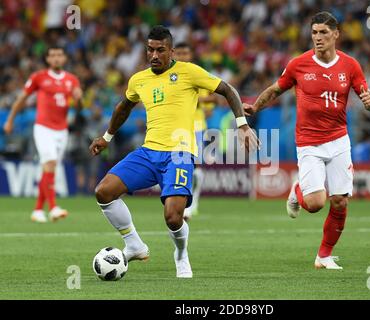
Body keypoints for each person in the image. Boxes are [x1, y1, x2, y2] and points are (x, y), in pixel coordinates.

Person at [89, 26, 258, 278]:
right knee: (104, 192)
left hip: (179, 153)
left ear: (171, 51)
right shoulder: (139, 79)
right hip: (148, 152)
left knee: (173, 217)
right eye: (150, 49)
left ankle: (181, 255)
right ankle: (134, 245)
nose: (154, 55)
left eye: (160, 50)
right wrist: (106, 137)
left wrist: (242, 125)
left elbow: (228, 90)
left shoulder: (188, 72)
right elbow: (123, 107)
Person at [244, 12, 370, 270]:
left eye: (323, 33)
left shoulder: (350, 65)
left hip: (339, 140)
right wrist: (255, 108)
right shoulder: (298, 64)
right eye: (314, 33)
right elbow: (275, 89)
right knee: (316, 203)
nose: (318, 38)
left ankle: (324, 256)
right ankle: (297, 191)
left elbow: (366, 95)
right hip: (309, 142)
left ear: (336, 34)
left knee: (340, 201)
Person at [3, 46, 82, 223]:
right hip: (43, 128)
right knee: (51, 164)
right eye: (52, 55)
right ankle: (53, 207)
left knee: (49, 170)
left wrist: (79, 99)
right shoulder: (38, 77)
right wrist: (10, 120)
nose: (56, 58)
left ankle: (38, 210)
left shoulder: (72, 80)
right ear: (47, 59)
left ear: (64, 58)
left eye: (59, 55)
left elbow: (79, 108)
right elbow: (21, 99)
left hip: (62, 130)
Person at [173, 42, 218, 221]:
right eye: (180, 54)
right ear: (174, 55)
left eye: (186, 53)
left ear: (190, 56)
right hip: (176, 128)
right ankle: (180, 204)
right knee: (179, 167)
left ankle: (192, 206)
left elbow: (212, 103)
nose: (183, 57)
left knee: (195, 167)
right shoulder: (171, 76)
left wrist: (196, 100)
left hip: (197, 127)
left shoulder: (198, 75)